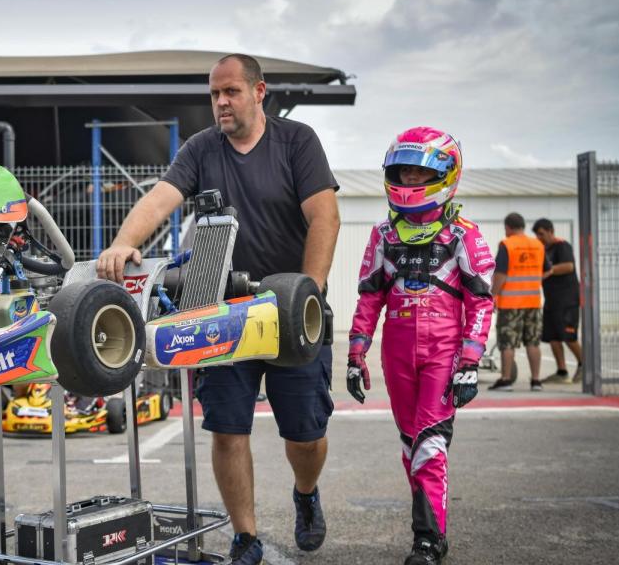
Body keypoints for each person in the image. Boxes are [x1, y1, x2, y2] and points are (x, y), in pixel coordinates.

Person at [97, 53, 340, 562]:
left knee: (305, 434)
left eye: (230, 92)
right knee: (228, 429)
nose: (221, 103)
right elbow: (160, 198)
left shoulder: (298, 142)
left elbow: (325, 218)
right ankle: (246, 535)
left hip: (292, 313)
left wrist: (308, 294)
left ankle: (305, 493)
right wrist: (123, 242)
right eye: (214, 94)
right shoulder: (202, 149)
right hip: (224, 314)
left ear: (259, 92)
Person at [347, 127, 494, 564]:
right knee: (412, 445)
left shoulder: (464, 235)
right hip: (396, 353)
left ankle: (428, 541)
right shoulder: (383, 235)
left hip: (443, 352)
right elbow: (369, 297)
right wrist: (356, 355)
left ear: (447, 175)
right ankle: (431, 530)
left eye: (419, 174)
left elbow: (482, 301)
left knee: (431, 444)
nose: (409, 183)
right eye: (403, 173)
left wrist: (470, 359)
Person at [489, 213, 550, 391]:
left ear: (508, 227)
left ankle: (506, 380)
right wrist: (532, 280)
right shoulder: (538, 245)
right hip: (533, 301)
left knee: (507, 342)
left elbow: (501, 274)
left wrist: (493, 295)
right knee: (533, 342)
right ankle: (536, 381)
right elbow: (547, 270)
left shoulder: (507, 245)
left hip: (510, 303)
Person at [532, 219, 584, 384]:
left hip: (567, 300)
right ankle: (562, 372)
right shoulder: (542, 249)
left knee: (569, 336)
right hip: (551, 301)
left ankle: (585, 367)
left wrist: (550, 270)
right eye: (537, 235)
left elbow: (569, 266)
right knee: (553, 337)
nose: (539, 237)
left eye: (541, 234)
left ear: (550, 231)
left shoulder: (562, 246)